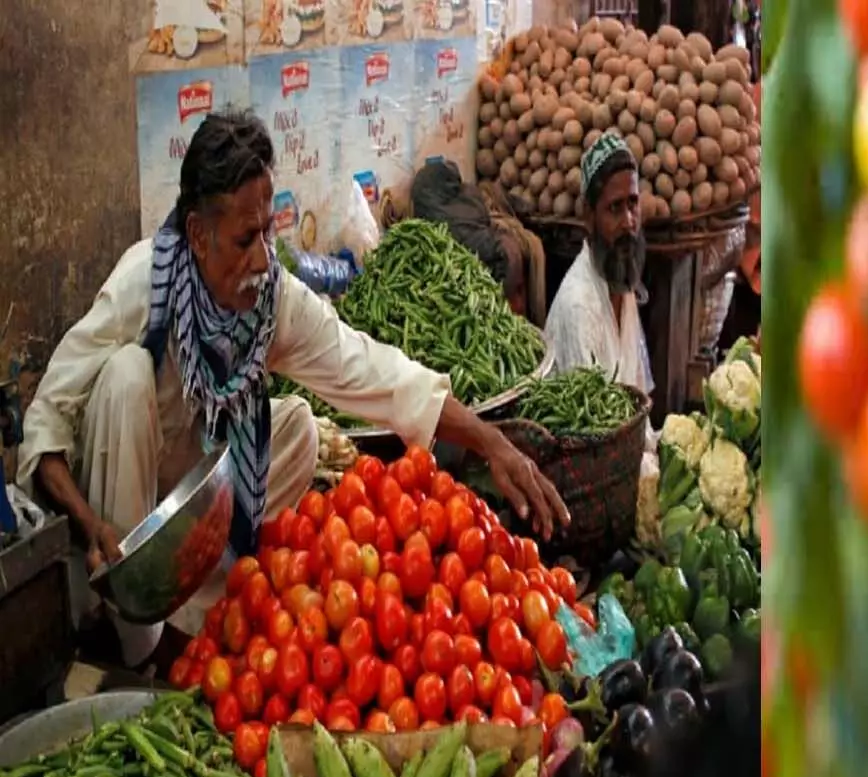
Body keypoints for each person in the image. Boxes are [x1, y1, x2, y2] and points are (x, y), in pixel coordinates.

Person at [18, 109, 570, 668]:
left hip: (189, 485)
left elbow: (371, 369)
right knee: (127, 379)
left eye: (266, 233)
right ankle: (135, 641)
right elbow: (45, 421)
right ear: (197, 236)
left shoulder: (269, 299)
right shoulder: (143, 286)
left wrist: (490, 441)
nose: (262, 258)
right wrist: (91, 526)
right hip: (119, 505)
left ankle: (199, 621)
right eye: (243, 239)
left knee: (298, 429)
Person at [543, 133, 654, 398]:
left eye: (633, 203)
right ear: (589, 216)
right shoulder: (579, 306)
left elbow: (640, 396)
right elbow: (593, 430)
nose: (628, 221)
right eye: (615, 208)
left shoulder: (621, 282)